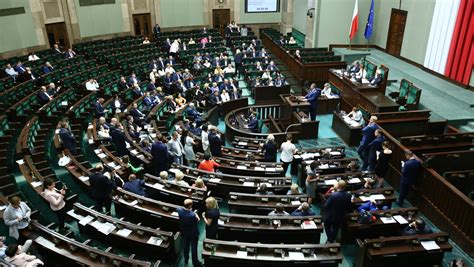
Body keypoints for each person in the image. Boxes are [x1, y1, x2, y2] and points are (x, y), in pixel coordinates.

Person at [177, 199, 202, 266]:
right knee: (194, 247)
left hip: (185, 231)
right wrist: (195, 213)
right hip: (193, 233)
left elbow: (181, 210)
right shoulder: (192, 215)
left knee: (186, 246)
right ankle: (195, 262)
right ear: (190, 205)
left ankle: (186, 260)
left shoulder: (179, 210)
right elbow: (198, 220)